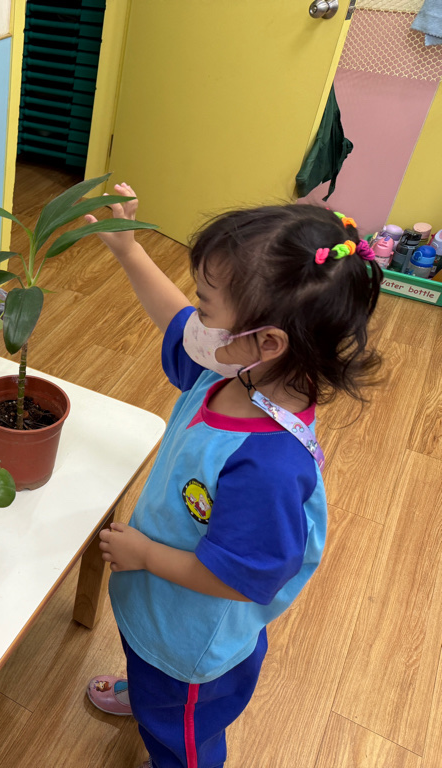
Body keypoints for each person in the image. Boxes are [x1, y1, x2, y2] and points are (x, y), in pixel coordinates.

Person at [85, 185, 383, 768]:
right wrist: (128, 250)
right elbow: (173, 319)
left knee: (182, 736)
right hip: (161, 607)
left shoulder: (269, 465)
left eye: (207, 309)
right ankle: (147, 697)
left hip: (191, 643)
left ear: (267, 341)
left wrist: (145, 555)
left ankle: (165, 725)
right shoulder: (234, 370)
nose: (194, 320)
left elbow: (242, 578)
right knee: (151, 679)